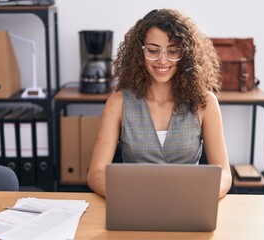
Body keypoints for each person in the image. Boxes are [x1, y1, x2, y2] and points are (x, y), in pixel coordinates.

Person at [87, 9, 232, 199]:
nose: (162, 60)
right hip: (135, 205)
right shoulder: (119, 103)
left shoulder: (205, 103)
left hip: (188, 204)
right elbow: (95, 174)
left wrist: (202, 196)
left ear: (186, 54)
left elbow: (224, 175)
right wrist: (128, 196)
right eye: (153, 50)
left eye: (173, 51)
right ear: (140, 52)